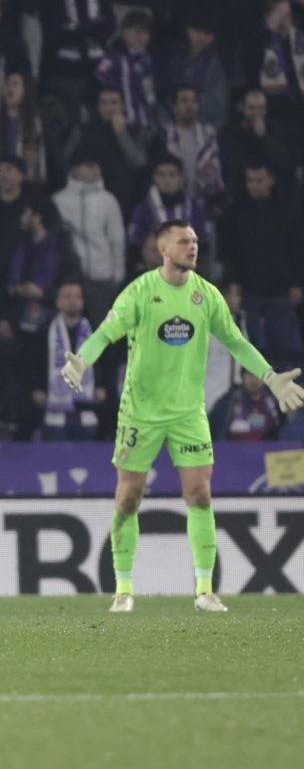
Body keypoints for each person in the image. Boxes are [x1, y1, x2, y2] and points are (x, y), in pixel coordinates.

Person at [61, 220, 304, 613]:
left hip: (189, 412)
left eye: (194, 241)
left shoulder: (206, 295)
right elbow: (107, 332)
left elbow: (236, 343)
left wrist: (271, 378)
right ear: (163, 248)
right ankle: (123, 589)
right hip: (141, 412)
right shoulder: (140, 292)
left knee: (200, 493)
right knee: (128, 497)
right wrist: (82, 361)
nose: (192, 247)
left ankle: (204, 589)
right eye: (183, 241)